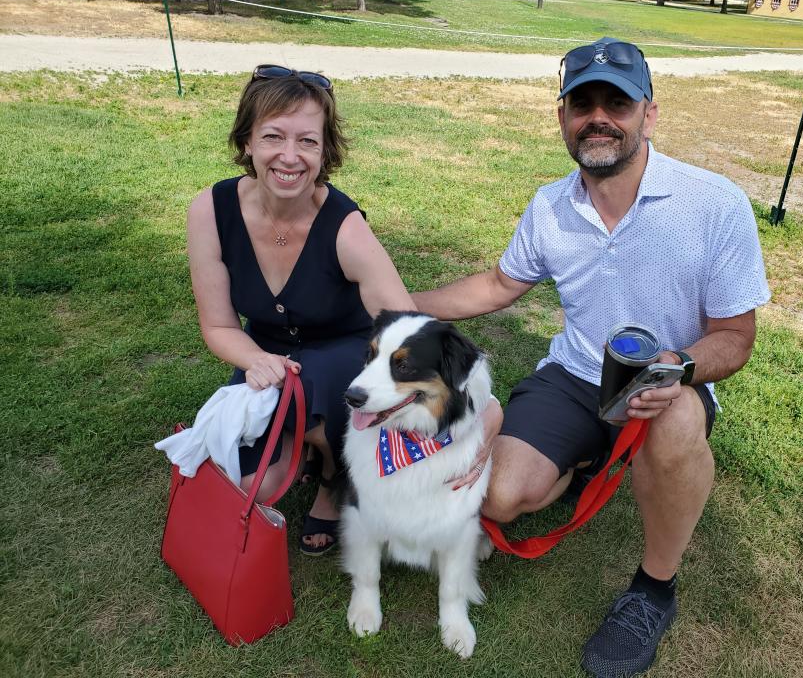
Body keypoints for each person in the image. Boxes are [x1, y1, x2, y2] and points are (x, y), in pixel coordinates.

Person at [413, 37, 770, 677]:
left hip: (665, 383)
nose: (598, 117)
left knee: (679, 419)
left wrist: (678, 367)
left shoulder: (714, 206)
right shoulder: (552, 205)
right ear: (562, 117)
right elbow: (498, 286)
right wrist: (404, 305)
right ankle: (584, 454)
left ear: (648, 115)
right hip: (575, 376)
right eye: (583, 103)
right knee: (498, 498)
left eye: (617, 103)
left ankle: (653, 590)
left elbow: (735, 338)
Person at [187, 65, 424, 555]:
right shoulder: (210, 211)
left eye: (308, 142)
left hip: (345, 351)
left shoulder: (344, 225)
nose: (290, 157)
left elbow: (405, 326)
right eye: (273, 136)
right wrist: (255, 361)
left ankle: (335, 476)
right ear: (248, 141)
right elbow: (217, 323)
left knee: (314, 390)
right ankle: (311, 448)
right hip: (266, 352)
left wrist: (468, 399)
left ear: (324, 150)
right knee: (259, 481)